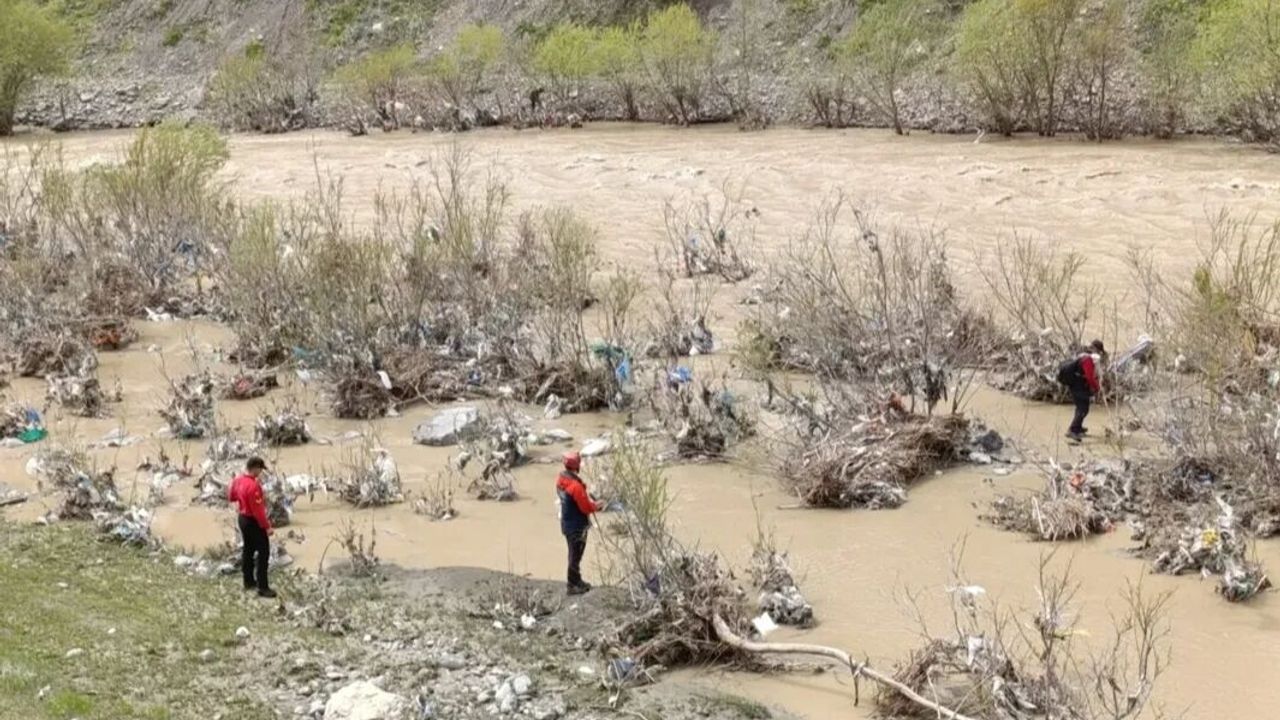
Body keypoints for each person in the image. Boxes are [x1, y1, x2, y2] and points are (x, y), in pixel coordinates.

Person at [228, 457, 277, 598]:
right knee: (264, 552)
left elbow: (231, 497)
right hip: (253, 521)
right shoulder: (254, 486)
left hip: (242, 519)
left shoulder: (238, 480)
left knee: (248, 550)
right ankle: (263, 587)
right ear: (255, 468)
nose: (261, 472)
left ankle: (248, 581)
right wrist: (267, 527)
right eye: (260, 469)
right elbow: (258, 511)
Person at [556, 451, 602, 596]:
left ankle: (577, 580)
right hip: (576, 525)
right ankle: (572, 584)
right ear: (577, 466)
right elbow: (585, 507)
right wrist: (597, 506)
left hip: (567, 523)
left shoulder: (561, 480)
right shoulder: (575, 486)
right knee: (576, 555)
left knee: (573, 553)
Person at [1058, 339, 1106, 442]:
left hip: (1078, 384)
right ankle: (1072, 430)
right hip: (1077, 385)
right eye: (1099, 351)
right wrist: (1097, 388)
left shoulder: (1083, 355)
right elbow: (1089, 376)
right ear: (1096, 350)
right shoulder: (1088, 360)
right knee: (1083, 408)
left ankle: (1078, 427)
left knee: (1082, 407)